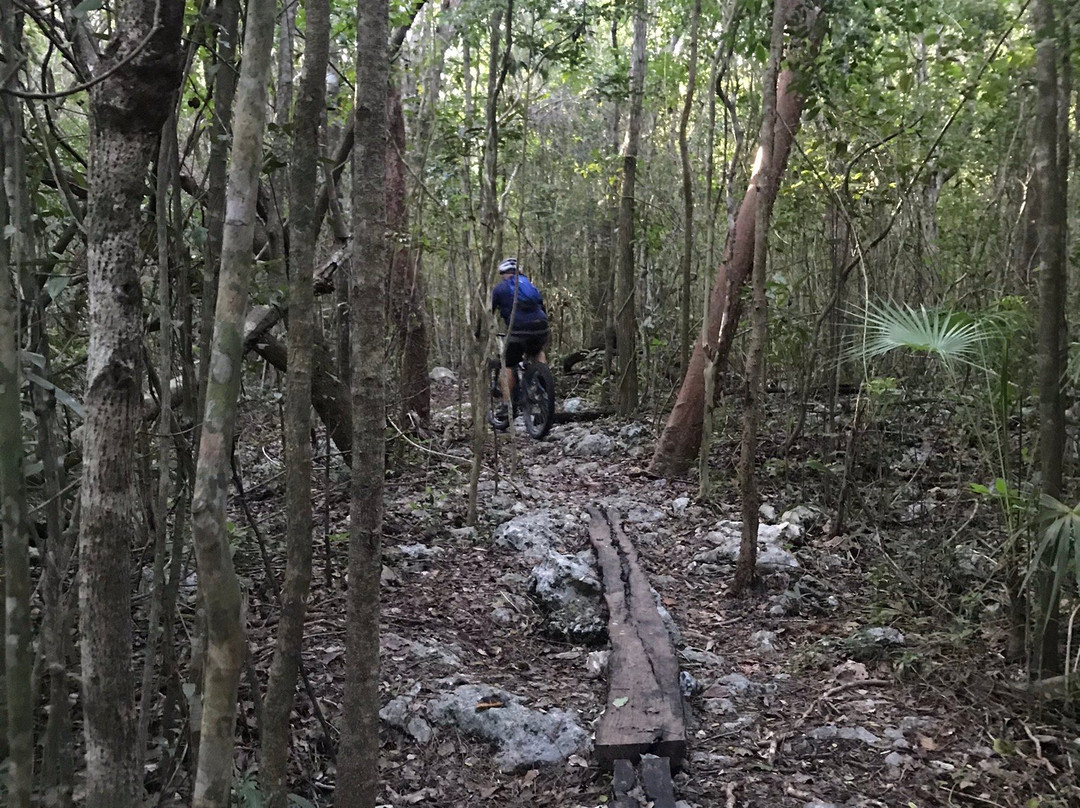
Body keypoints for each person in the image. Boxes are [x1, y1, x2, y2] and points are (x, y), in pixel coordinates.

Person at [490, 257, 549, 427]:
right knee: (537, 351)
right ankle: (542, 390)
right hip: (541, 327)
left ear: (503, 274)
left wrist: (480, 332)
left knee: (507, 364)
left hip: (518, 330)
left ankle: (506, 405)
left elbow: (489, 312)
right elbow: (542, 308)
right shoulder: (530, 285)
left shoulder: (500, 288)